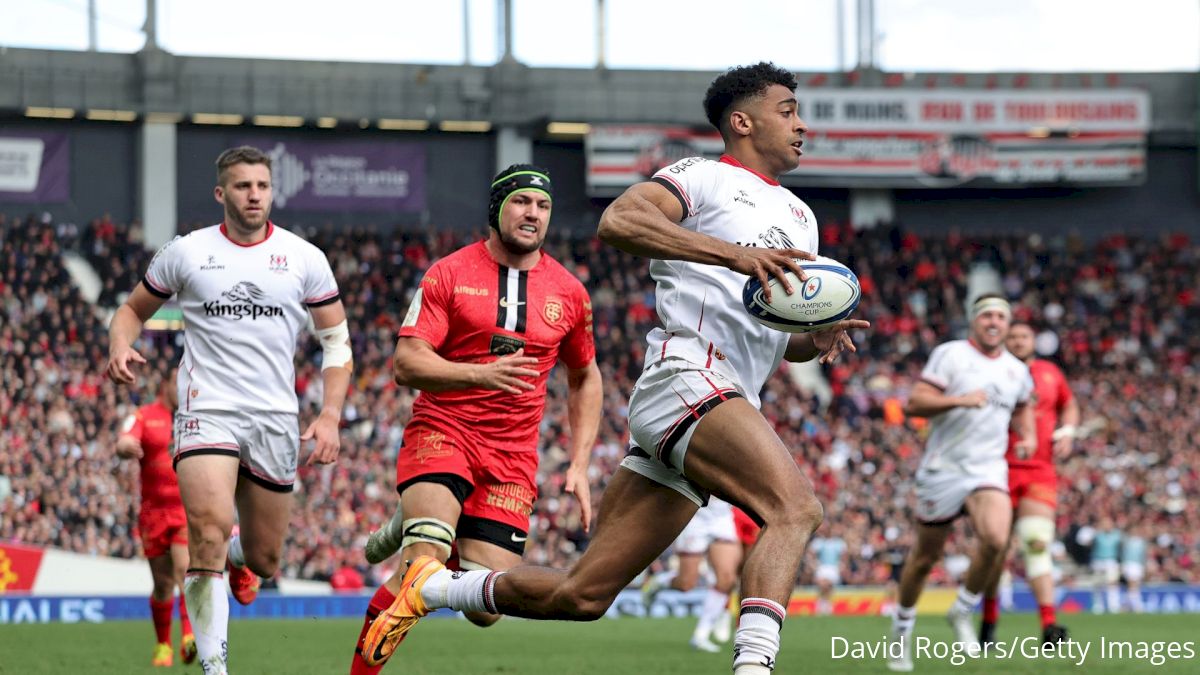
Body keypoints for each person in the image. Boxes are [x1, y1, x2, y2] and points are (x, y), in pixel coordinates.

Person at [362, 62, 869, 675]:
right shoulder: (700, 177)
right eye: (787, 110)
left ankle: (433, 589)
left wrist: (815, 336)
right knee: (796, 509)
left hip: (729, 392)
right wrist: (738, 256)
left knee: (584, 595)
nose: (801, 124)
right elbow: (621, 222)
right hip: (687, 377)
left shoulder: (800, 216)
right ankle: (754, 667)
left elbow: (779, 341)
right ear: (742, 121)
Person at [106, 146, 352, 675]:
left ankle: (243, 561)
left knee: (265, 559)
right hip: (206, 409)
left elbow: (337, 342)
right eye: (242, 186)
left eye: (262, 185)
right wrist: (119, 344)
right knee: (209, 531)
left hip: (275, 419)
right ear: (222, 193)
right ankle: (215, 667)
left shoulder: (304, 257)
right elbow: (131, 310)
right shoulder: (187, 252)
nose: (254, 195)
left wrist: (330, 414)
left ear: (272, 190)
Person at [352, 164, 602, 672]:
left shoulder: (570, 292)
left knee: (486, 607)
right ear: (496, 208)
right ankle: (423, 524)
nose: (532, 213)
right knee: (422, 564)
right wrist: (479, 377)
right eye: (521, 202)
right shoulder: (448, 273)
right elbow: (407, 363)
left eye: (543, 206)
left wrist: (578, 464)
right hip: (445, 431)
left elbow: (585, 376)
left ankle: (418, 519)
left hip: (511, 457)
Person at [887, 294, 1035, 672]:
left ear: (1007, 323)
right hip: (944, 468)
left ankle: (962, 609)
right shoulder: (951, 354)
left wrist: (1029, 436)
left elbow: (1023, 408)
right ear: (974, 320)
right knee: (924, 558)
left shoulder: (1017, 370)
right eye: (987, 314)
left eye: (1001, 316)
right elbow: (914, 404)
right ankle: (900, 631)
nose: (994, 321)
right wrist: (959, 401)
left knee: (997, 539)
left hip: (988, 469)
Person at [980, 320, 1079, 644]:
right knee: (996, 550)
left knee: (1037, 544)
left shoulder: (1051, 373)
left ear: (1033, 340)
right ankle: (989, 619)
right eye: (1013, 337)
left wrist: (1067, 430)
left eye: (1024, 336)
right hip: (998, 468)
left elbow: (1070, 404)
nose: (1019, 341)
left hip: (1039, 470)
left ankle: (1049, 625)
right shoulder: (993, 371)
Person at [115, 367, 196, 667]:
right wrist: (124, 447)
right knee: (162, 584)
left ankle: (189, 636)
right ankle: (163, 645)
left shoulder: (192, 416)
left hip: (184, 510)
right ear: (166, 384)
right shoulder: (145, 415)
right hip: (152, 514)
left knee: (184, 570)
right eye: (180, 382)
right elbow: (125, 439)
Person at [642, 496, 742, 652]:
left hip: (722, 517)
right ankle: (659, 583)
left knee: (727, 580)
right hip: (696, 518)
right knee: (686, 584)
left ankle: (700, 635)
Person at [810, 524, 847, 616]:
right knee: (823, 584)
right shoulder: (818, 542)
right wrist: (814, 564)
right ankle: (824, 604)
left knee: (827, 585)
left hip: (833, 567)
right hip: (822, 567)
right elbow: (811, 554)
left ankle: (824, 604)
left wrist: (842, 566)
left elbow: (844, 556)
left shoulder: (839, 542)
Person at [1090, 516, 1123, 613]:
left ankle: (1113, 606)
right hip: (1098, 561)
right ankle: (1098, 606)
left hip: (1111, 560)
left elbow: (1121, 549)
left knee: (1112, 584)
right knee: (1098, 584)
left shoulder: (1117, 535)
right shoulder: (1097, 535)